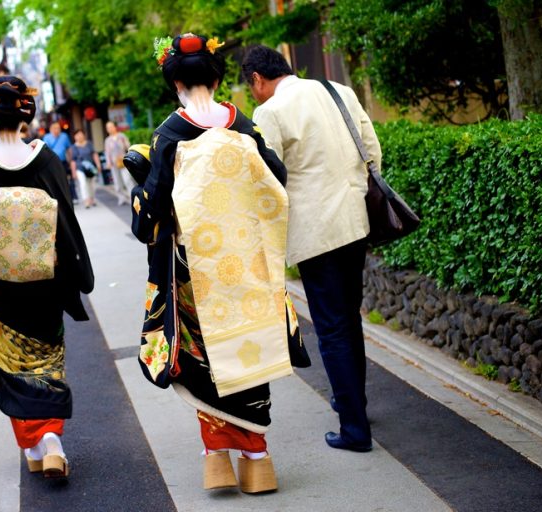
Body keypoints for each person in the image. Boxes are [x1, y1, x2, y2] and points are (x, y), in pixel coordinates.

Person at [131, 34, 306, 494]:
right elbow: (276, 178)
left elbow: (152, 207)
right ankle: (258, 459)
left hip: (197, 267)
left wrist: (139, 191)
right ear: (216, 76)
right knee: (249, 349)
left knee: (206, 358)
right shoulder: (240, 123)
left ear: (175, 84)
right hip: (246, 260)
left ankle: (218, 460)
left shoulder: (171, 131)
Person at [0, 76, 94, 478]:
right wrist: (74, 270)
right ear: (27, 114)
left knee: (12, 365)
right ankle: (53, 442)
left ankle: (33, 446)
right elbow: (67, 221)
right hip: (44, 284)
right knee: (45, 360)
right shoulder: (45, 161)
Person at [243, 45, 382, 453]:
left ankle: (355, 429)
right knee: (349, 319)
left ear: (257, 79)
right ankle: (354, 404)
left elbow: (267, 182)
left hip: (314, 235)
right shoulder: (337, 90)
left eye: (250, 87)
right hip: (355, 223)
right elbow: (371, 151)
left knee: (332, 327)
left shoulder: (270, 112)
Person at [42, 122, 77, 203]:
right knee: (55, 181)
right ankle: (58, 198)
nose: (56, 130)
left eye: (58, 128)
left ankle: (72, 197)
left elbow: (68, 149)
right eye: (54, 128)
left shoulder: (64, 136)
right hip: (52, 163)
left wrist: (70, 160)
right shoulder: (46, 137)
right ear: (50, 129)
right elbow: (45, 151)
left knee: (67, 179)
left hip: (63, 162)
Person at [69, 129, 102, 209]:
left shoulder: (89, 144)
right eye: (77, 135)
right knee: (83, 184)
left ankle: (92, 198)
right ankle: (86, 200)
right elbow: (73, 160)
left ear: (84, 135)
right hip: (79, 168)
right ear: (75, 137)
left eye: (81, 134)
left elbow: (94, 154)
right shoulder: (73, 147)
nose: (79, 136)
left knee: (92, 184)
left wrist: (98, 164)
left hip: (91, 168)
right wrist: (73, 172)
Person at [104, 121, 133, 205]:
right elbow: (107, 153)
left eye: (111, 126)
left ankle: (132, 197)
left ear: (115, 127)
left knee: (127, 179)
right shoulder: (107, 140)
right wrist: (108, 163)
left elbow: (128, 146)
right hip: (114, 163)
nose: (110, 129)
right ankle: (121, 197)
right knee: (117, 182)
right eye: (108, 128)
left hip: (124, 161)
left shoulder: (121, 136)